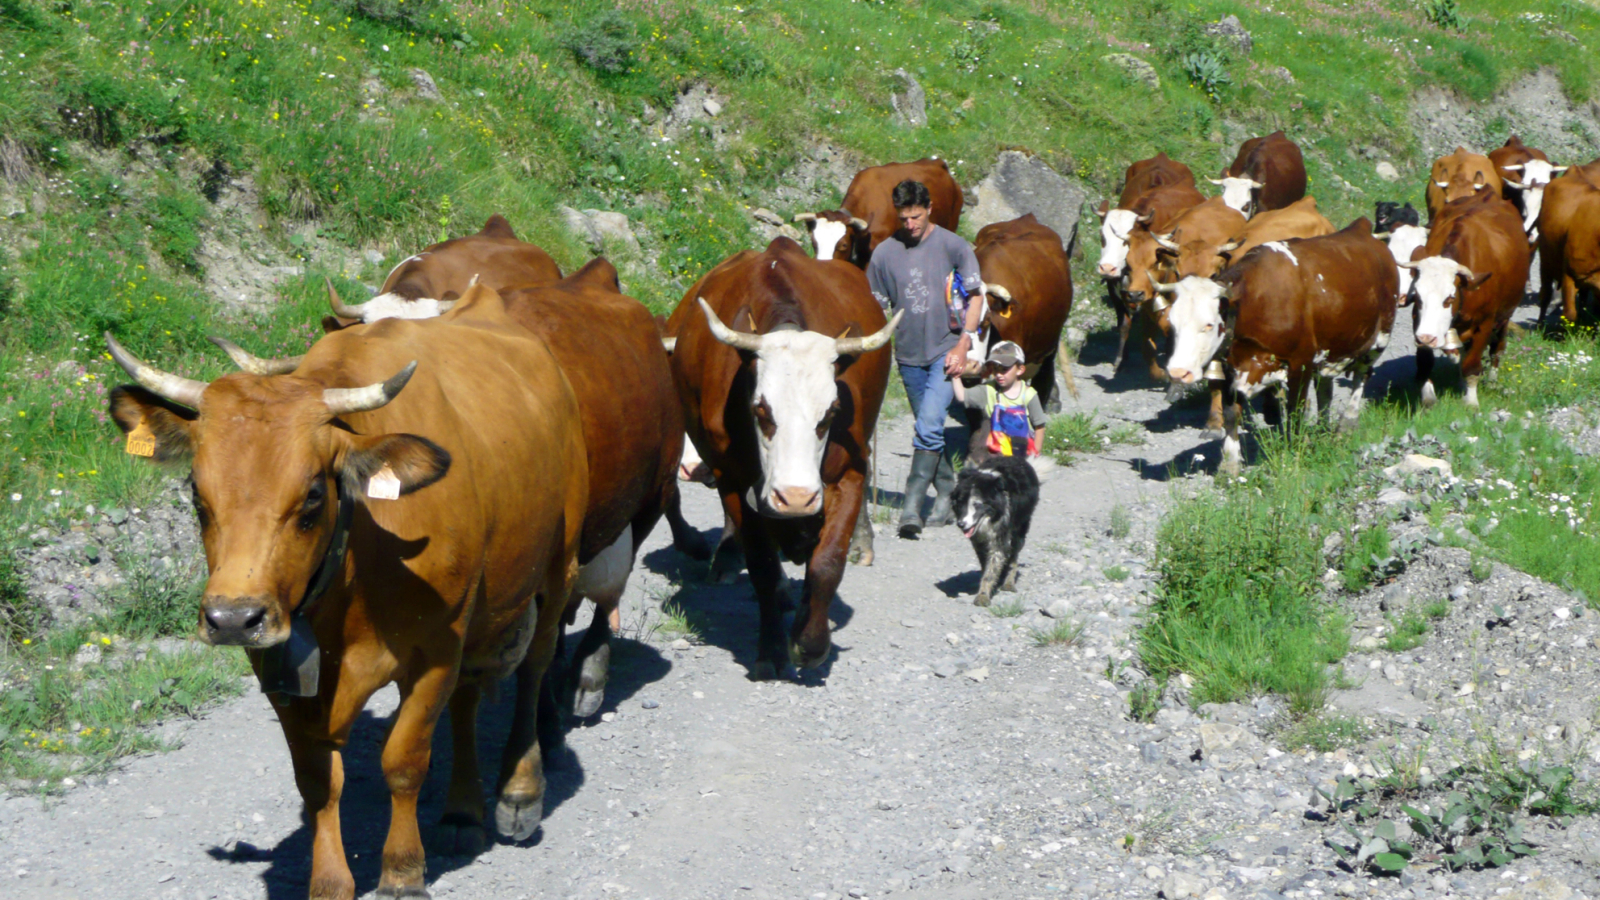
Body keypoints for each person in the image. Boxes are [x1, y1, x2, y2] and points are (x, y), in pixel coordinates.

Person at [866, 179, 985, 539]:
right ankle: (948, 491)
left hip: (946, 351)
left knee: (931, 424)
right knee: (927, 428)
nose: (910, 225)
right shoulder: (884, 254)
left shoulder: (953, 246)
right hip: (907, 355)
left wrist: (964, 343)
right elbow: (876, 305)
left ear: (930, 208)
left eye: (916, 217)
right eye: (903, 219)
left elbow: (977, 297)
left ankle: (911, 509)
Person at [954, 341, 1046, 459]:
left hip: (1022, 453)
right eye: (995, 369)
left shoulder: (1029, 395)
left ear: (1020, 370)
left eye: (1004, 369)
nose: (998, 374)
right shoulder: (988, 390)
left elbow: (1039, 426)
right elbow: (962, 396)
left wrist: (1036, 454)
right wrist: (955, 375)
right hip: (994, 453)